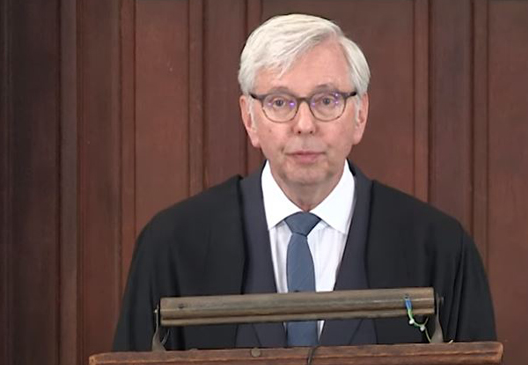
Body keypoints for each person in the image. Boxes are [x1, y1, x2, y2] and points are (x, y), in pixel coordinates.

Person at [113, 13, 496, 351]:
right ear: (250, 118)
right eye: (280, 102)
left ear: (360, 113)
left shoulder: (440, 248)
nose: (305, 124)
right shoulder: (173, 245)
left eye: (326, 100)